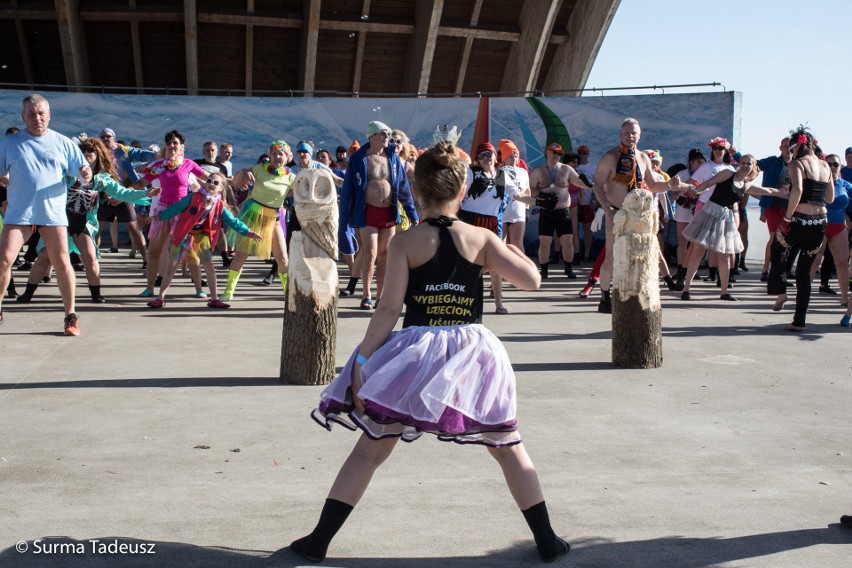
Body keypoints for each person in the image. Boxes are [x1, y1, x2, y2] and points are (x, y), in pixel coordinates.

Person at [291, 141, 568, 564]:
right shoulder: (482, 238)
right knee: (507, 444)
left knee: (371, 447)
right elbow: (532, 281)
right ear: (461, 192)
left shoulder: (405, 242)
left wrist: (361, 362)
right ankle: (547, 539)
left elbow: (388, 309)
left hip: (416, 350)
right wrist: (506, 244)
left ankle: (319, 541)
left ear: (416, 192)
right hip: (472, 350)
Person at [16, 137, 153, 304]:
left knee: (90, 257)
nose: (87, 153)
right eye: (84, 150)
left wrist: (146, 193)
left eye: (91, 150)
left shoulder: (101, 179)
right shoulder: (67, 174)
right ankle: (28, 294)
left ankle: (96, 294)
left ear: (98, 154)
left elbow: (123, 194)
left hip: (84, 224)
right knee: (45, 256)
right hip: (61, 222)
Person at [0, 94, 91, 333]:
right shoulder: (9, 144)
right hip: (19, 213)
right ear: (23, 117)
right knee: (3, 260)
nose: (36, 118)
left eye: (41, 113)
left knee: (62, 262)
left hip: (52, 214)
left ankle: (71, 316)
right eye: (31, 114)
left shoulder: (64, 143)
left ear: (49, 115)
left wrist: (85, 174)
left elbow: (83, 170)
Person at [592, 118, 691, 313]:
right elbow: (597, 185)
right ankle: (604, 298)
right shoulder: (610, 157)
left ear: (639, 135)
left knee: (640, 256)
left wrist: (670, 185)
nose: (630, 136)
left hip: (639, 217)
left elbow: (653, 186)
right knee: (611, 255)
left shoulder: (644, 158)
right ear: (620, 135)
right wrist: (608, 209)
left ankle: (633, 295)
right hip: (617, 212)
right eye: (627, 133)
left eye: (634, 133)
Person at [680, 154, 788, 301]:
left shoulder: (746, 185)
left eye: (748, 164)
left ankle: (724, 292)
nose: (744, 165)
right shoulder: (727, 174)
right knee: (697, 252)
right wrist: (696, 191)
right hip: (710, 212)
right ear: (738, 164)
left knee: (724, 256)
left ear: (753, 167)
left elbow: (766, 191)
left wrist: (781, 192)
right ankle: (686, 289)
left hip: (726, 218)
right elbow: (709, 183)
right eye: (742, 162)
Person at [146, 172, 261, 309]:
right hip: (183, 235)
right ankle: (160, 298)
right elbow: (175, 208)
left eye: (216, 183)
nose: (211, 184)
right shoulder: (193, 197)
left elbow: (233, 221)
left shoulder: (218, 204)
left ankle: (214, 299)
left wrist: (248, 232)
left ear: (221, 189)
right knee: (171, 267)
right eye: (209, 181)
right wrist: (159, 217)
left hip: (200, 238)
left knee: (209, 268)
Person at [340, 121, 418, 310]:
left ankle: (380, 296)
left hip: (388, 212)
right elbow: (348, 189)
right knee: (370, 252)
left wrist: (411, 212)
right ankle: (366, 295)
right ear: (372, 136)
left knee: (384, 255)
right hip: (367, 212)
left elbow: (403, 187)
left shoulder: (392, 157)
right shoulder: (359, 158)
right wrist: (344, 223)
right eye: (383, 134)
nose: (386, 138)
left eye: (388, 134)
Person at [129, 130, 211, 298]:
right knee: (154, 251)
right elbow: (142, 182)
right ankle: (150, 288)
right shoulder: (157, 166)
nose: (172, 146)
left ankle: (199, 289)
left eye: (175, 143)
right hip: (163, 212)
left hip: (183, 213)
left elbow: (210, 178)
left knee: (190, 252)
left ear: (182, 146)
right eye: (169, 143)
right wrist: (124, 192)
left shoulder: (189, 164)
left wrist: (228, 182)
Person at [768, 128, 834, 331]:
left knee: (777, 249)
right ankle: (799, 321)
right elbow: (830, 198)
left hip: (799, 219)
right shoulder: (825, 165)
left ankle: (780, 292)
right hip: (820, 222)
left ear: (797, 146)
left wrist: (787, 217)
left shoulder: (797, 163)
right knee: (804, 274)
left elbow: (797, 190)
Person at [225, 140, 297, 300]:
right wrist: (244, 172)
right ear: (270, 156)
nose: (278, 156)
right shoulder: (259, 169)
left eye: (281, 154)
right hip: (253, 214)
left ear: (287, 157)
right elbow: (236, 183)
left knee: (283, 257)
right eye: (274, 153)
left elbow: (300, 193)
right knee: (241, 255)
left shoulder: (291, 177)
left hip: (274, 217)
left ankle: (289, 293)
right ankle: (228, 290)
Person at [459, 142, 522, 313]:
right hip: (470, 221)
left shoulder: (502, 174)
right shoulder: (470, 173)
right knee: (470, 263)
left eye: (489, 154)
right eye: (482, 155)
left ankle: (499, 304)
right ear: (477, 160)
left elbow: (517, 195)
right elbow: (458, 197)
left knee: (495, 264)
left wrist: (540, 202)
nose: (486, 158)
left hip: (493, 223)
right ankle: (467, 302)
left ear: (496, 156)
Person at [525, 142, 590, 280]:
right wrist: (542, 196)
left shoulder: (566, 169)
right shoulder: (538, 170)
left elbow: (579, 182)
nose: (556, 155)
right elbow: (530, 189)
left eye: (559, 153)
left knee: (568, 241)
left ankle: (569, 268)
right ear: (547, 152)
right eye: (554, 152)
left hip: (563, 212)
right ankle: (544, 270)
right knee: (545, 242)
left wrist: (588, 184)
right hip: (546, 212)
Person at [97, 128, 155, 261]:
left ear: (115, 138)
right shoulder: (98, 153)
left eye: (108, 136)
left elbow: (141, 154)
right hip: (105, 197)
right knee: (97, 229)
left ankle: (146, 259)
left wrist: (156, 155)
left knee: (134, 229)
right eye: (102, 137)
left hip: (124, 194)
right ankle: (92, 258)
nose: (105, 139)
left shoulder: (123, 150)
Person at [811, 155, 849, 304]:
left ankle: (845, 297)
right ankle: (803, 296)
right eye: (829, 164)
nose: (832, 167)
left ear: (840, 166)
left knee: (842, 263)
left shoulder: (845, 184)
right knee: (814, 261)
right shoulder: (817, 183)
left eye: (836, 164)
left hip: (839, 227)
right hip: (820, 225)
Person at [672, 148, 706, 289]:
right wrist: (681, 195)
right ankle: (681, 267)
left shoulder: (705, 174)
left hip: (696, 209)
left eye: (703, 162)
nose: (701, 165)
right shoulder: (682, 174)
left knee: (694, 241)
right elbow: (675, 191)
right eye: (698, 162)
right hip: (683, 209)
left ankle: (690, 269)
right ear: (691, 162)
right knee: (682, 240)